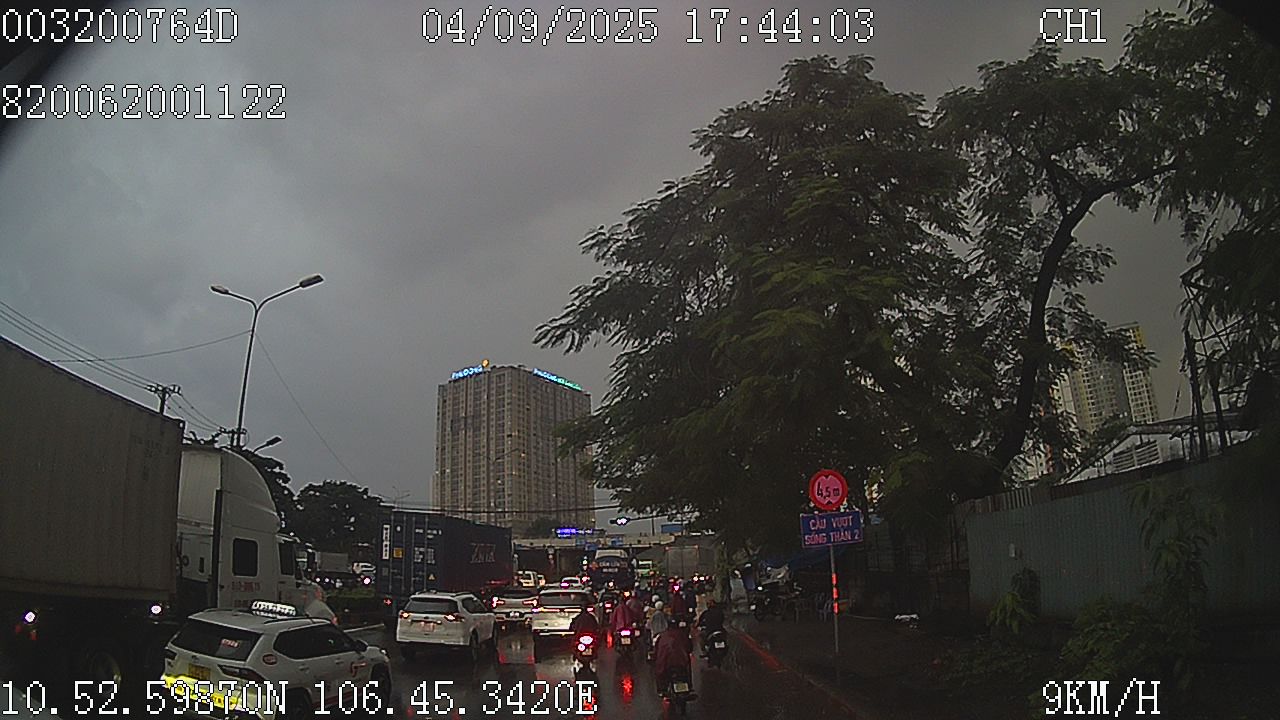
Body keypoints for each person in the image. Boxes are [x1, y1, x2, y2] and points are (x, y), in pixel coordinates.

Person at [653, 623, 692, 693]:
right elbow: (689, 648)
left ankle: (662, 690)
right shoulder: (683, 635)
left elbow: (656, 651)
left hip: (666, 664)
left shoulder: (662, 636)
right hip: (681, 663)